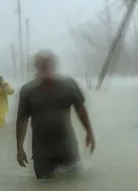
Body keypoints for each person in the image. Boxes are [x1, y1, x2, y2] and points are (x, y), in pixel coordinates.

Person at [16, 49, 95, 180]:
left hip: (67, 147)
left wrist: (89, 132)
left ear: (54, 66)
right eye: (42, 65)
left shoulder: (69, 85)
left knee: (74, 186)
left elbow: (80, 110)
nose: (46, 68)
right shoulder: (27, 90)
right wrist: (19, 148)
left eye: (48, 65)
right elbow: (22, 120)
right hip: (41, 151)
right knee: (43, 189)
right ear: (36, 67)